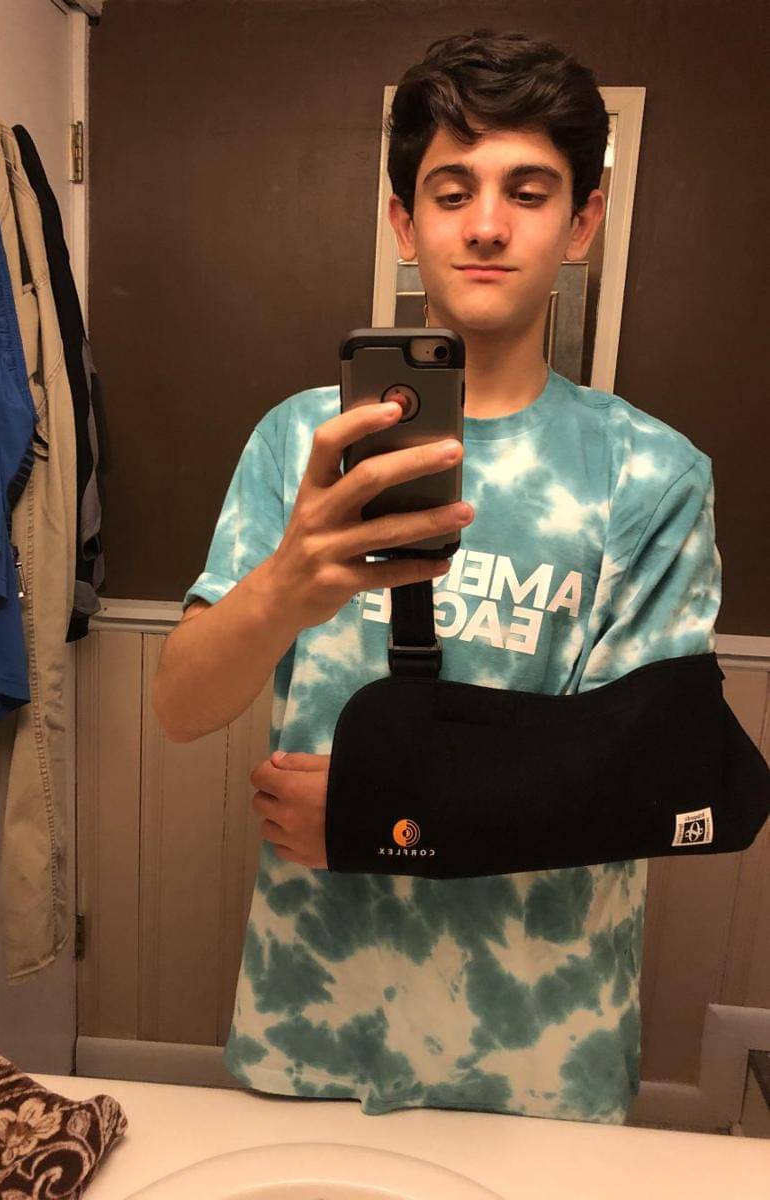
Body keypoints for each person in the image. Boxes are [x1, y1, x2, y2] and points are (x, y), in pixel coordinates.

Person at [152, 29, 721, 1124]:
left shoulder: (651, 474)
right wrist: (287, 588)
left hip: (543, 1046)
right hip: (316, 1014)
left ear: (582, 222)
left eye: (529, 192)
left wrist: (386, 810)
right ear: (405, 224)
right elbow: (180, 709)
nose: (488, 224)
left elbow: (651, 779)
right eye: (452, 192)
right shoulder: (301, 442)